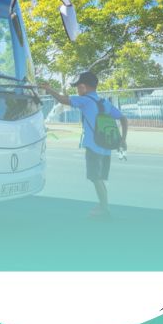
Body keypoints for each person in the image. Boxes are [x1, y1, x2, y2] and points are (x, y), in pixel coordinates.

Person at [40, 71, 128, 217]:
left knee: (95, 177)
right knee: (99, 178)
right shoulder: (104, 102)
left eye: (77, 87)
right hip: (106, 146)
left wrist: (49, 89)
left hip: (94, 145)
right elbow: (123, 118)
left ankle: (104, 208)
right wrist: (123, 139)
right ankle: (103, 205)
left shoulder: (85, 100)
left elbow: (62, 100)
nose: (77, 90)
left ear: (83, 87)